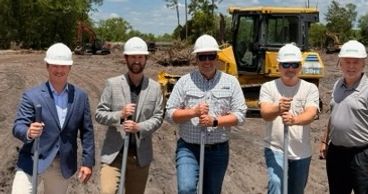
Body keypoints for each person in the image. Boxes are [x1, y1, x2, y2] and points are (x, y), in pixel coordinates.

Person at [165, 34, 247, 194]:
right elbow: (169, 114)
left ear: (217, 58)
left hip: (218, 150)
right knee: (186, 188)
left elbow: (241, 115)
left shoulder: (231, 82)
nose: (207, 61)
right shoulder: (184, 82)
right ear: (196, 59)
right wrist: (192, 112)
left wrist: (215, 121)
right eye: (203, 57)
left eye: (211, 56)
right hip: (188, 148)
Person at [11, 43, 95, 194]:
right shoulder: (32, 96)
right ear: (47, 66)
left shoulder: (80, 97)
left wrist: (87, 162)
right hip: (32, 161)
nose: (59, 70)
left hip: (61, 166)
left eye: (63, 66)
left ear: (70, 68)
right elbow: (18, 126)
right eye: (55, 65)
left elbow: (87, 133)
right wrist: (29, 132)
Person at [95, 36, 164, 194]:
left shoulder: (154, 88)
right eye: (133, 57)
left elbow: (158, 117)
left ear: (146, 58)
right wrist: (120, 114)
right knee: (108, 191)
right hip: (114, 155)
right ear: (126, 58)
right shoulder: (113, 84)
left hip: (139, 157)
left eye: (140, 57)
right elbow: (99, 114)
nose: (136, 61)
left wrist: (138, 127)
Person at [319, 40, 368, 194]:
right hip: (336, 154)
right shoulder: (337, 85)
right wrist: (325, 140)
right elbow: (334, 115)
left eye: (355, 62)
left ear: (363, 64)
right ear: (340, 63)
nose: (351, 66)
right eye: (347, 62)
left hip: (362, 156)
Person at [258, 43, 319, 194]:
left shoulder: (310, 88)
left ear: (300, 66)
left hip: (301, 152)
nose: (290, 69)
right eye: (286, 65)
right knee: (276, 183)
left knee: (296, 191)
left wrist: (294, 120)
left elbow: (311, 113)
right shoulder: (268, 87)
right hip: (276, 148)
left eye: (294, 64)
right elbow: (265, 112)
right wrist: (278, 108)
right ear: (279, 66)